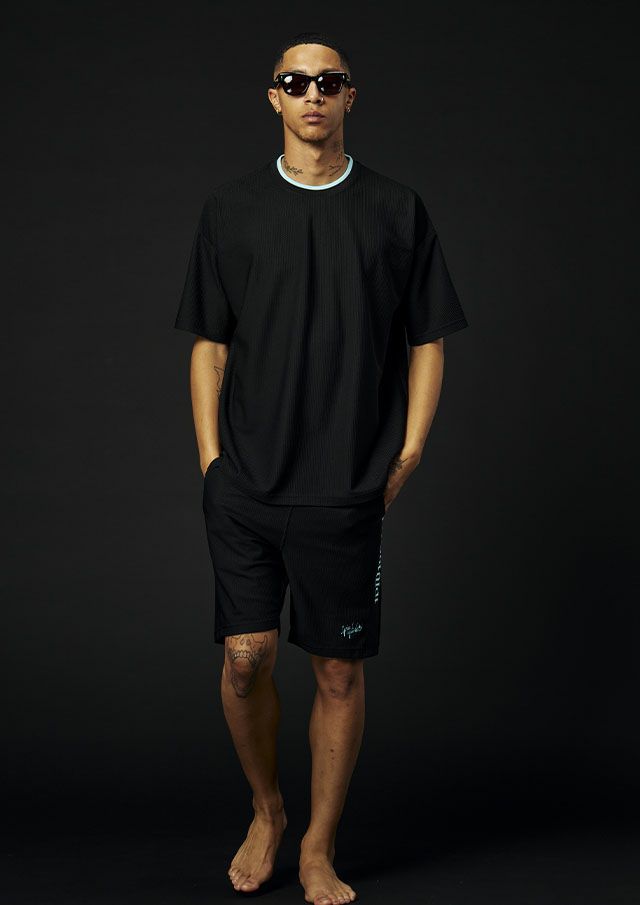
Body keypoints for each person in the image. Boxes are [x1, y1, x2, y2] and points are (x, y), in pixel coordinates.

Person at [174, 30, 468, 905]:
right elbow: (209, 345)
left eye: (328, 81)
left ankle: (316, 846)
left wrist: (410, 448)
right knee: (246, 657)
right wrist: (211, 462)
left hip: (345, 484)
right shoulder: (230, 209)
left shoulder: (396, 209)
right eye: (295, 81)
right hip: (245, 480)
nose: (312, 94)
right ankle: (268, 810)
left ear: (349, 97)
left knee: (337, 671)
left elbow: (427, 338)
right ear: (273, 96)